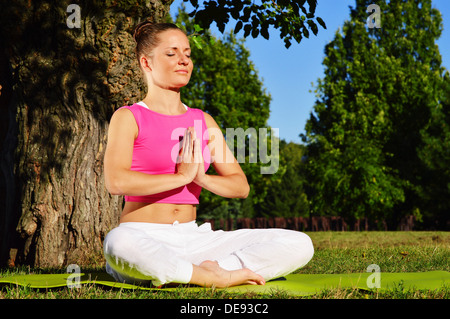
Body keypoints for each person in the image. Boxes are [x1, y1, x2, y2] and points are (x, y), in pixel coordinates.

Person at [102, 21, 314, 288]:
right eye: (172, 53)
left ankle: (213, 271)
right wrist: (181, 177)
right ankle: (207, 276)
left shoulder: (203, 121)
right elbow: (117, 182)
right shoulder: (129, 117)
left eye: (188, 54)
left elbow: (240, 186)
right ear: (147, 63)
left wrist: (200, 178)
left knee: (299, 243)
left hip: (196, 240)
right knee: (117, 244)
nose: (183, 60)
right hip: (143, 236)